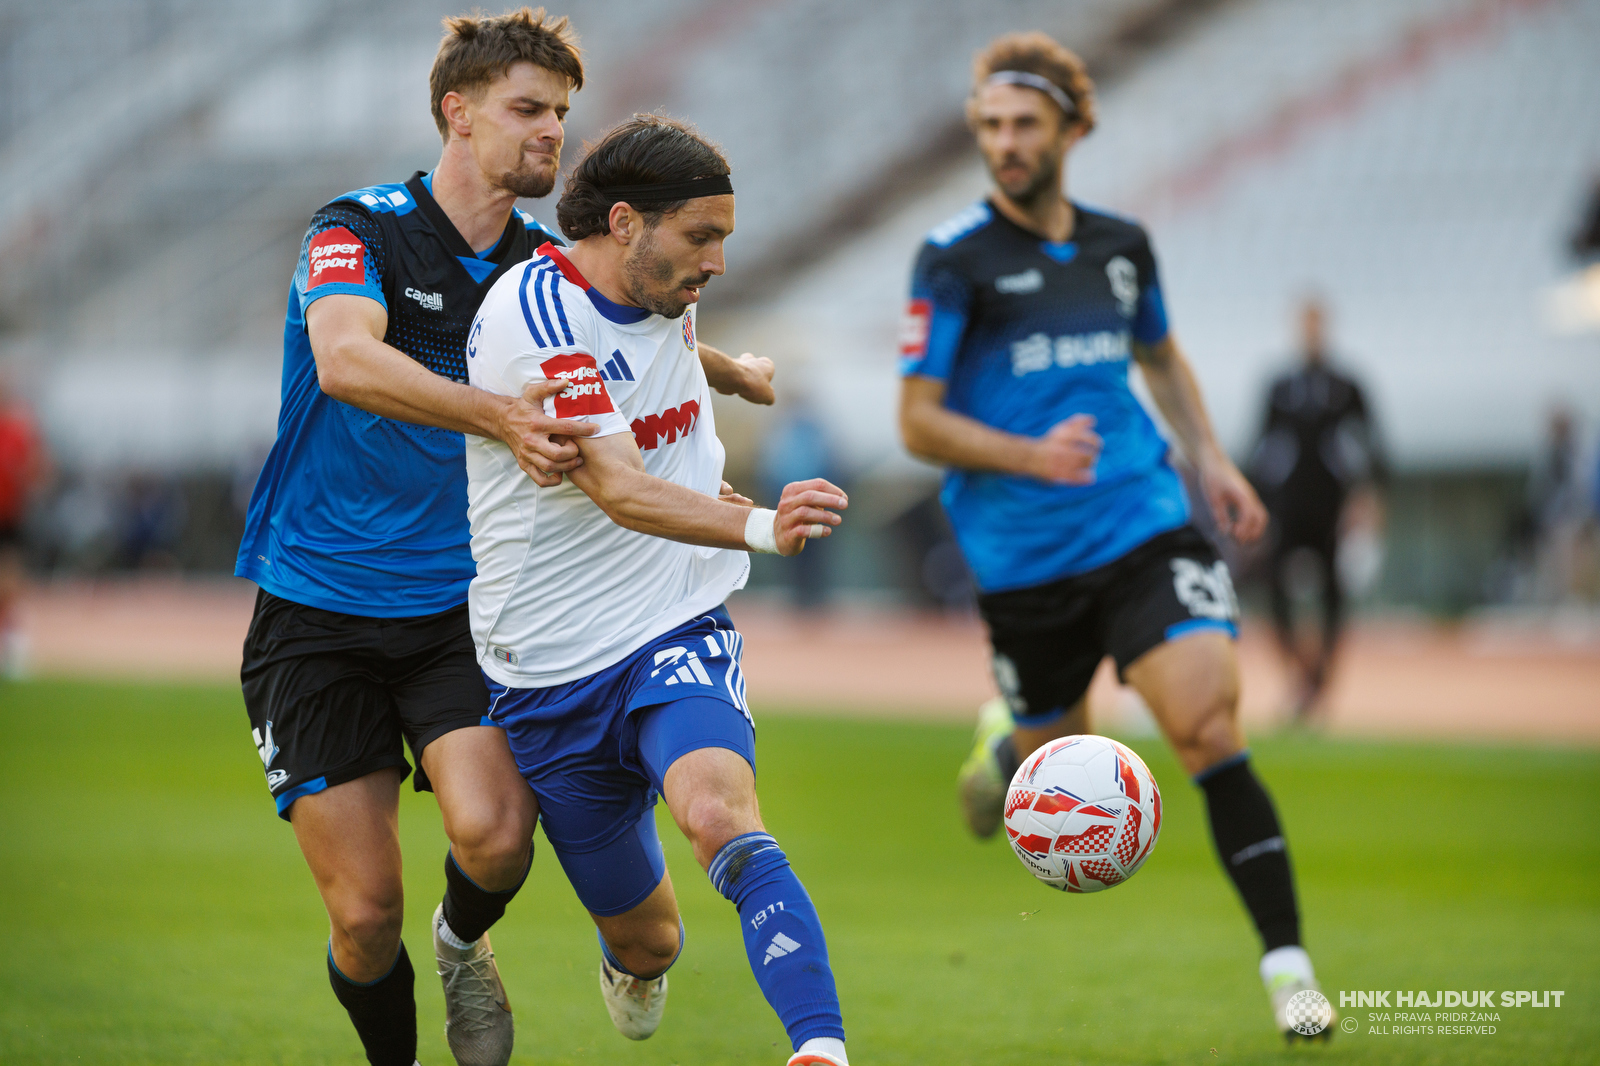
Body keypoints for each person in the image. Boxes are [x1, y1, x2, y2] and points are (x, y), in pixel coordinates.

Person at [232, 11, 773, 1066]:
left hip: (457, 609)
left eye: (562, 114)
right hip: (317, 605)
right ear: (458, 111)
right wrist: (502, 417)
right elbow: (346, 361)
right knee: (362, 915)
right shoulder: (355, 229)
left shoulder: (543, 263)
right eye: (528, 109)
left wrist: (722, 368)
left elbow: (622, 330)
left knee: (495, 835)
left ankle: (463, 943)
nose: (551, 134)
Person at [896, 33, 1328, 1042]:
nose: (1003, 143)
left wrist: (1211, 460)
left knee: (1207, 727)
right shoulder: (953, 258)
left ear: (1071, 129)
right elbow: (915, 421)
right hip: (1022, 559)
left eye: (1024, 125)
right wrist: (1024, 451)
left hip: (1143, 521)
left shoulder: (1121, 246)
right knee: (1055, 757)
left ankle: (1288, 969)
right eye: (990, 125)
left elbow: (1163, 360)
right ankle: (1010, 739)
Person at [465, 115, 853, 1066]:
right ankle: (628, 962)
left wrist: (734, 372)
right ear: (627, 223)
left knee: (720, 815)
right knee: (652, 941)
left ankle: (821, 1050)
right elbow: (622, 488)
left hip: (673, 621)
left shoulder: (658, 281)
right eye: (703, 237)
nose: (717, 263)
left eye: (723, 237)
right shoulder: (535, 319)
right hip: (549, 666)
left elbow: (661, 344)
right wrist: (763, 523)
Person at [1250, 297, 1385, 720]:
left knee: (1333, 591)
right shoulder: (1279, 385)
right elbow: (1263, 448)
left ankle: (1321, 674)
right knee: (1273, 583)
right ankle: (1299, 667)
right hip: (1289, 503)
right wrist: (1258, 503)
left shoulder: (1347, 385)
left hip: (1331, 505)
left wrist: (1369, 497)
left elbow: (1373, 444)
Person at [0, 374, 47, 678]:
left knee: (10, 577)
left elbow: (38, 470)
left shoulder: (18, 431)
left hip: (9, 515)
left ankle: (10, 633)